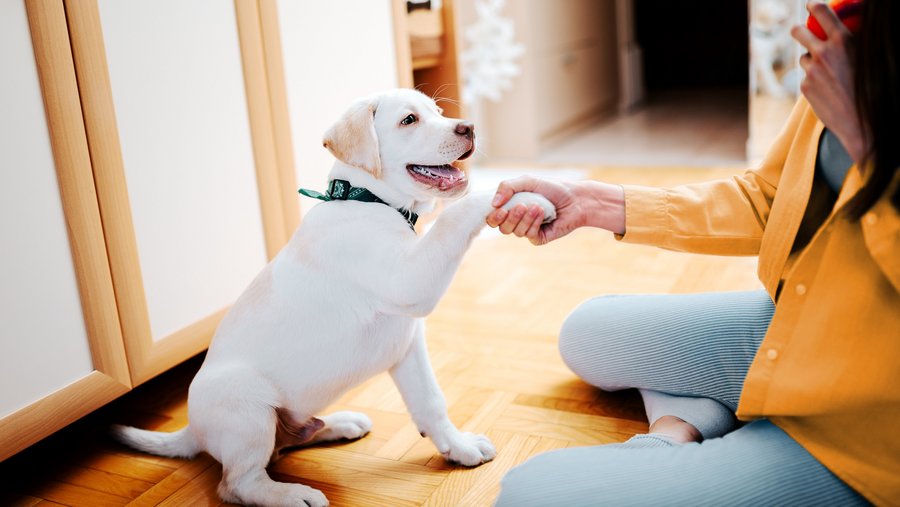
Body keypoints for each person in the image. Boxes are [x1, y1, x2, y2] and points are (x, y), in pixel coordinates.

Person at [487, 1, 899, 505]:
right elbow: (769, 196)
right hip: (810, 323)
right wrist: (593, 203)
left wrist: (866, 142)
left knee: (530, 494)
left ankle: (717, 437)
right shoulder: (852, 35)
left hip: (869, 422)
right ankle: (692, 422)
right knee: (589, 330)